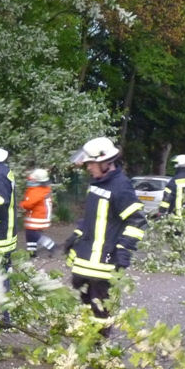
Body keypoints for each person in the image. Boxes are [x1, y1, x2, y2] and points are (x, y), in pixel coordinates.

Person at [64, 137, 147, 333]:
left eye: (91, 164)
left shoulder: (121, 187)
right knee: (84, 301)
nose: (88, 168)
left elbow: (137, 221)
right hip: (86, 257)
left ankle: (99, 343)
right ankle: (86, 336)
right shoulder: (96, 183)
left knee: (99, 305)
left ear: (105, 162)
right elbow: (90, 217)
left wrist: (123, 250)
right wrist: (76, 236)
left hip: (104, 260)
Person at [158, 154, 185, 246]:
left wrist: (161, 212)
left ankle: (179, 252)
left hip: (178, 217)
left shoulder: (175, 180)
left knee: (177, 238)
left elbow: (167, 198)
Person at [20, 168, 56, 257]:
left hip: (37, 216)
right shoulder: (42, 188)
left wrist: (22, 205)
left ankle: (50, 244)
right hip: (38, 215)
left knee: (32, 233)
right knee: (30, 233)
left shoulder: (37, 190)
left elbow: (29, 204)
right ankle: (31, 252)